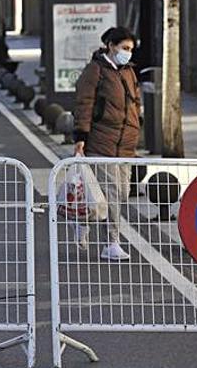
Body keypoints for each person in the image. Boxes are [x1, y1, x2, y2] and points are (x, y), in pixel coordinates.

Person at [72, 27, 141, 261]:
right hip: (102, 141)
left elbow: (134, 103)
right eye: (124, 48)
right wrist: (81, 136)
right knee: (111, 193)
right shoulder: (96, 70)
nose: (128, 53)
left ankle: (83, 220)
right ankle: (111, 243)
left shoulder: (129, 72)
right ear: (111, 46)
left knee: (122, 192)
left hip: (126, 145)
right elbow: (84, 103)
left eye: (131, 50)